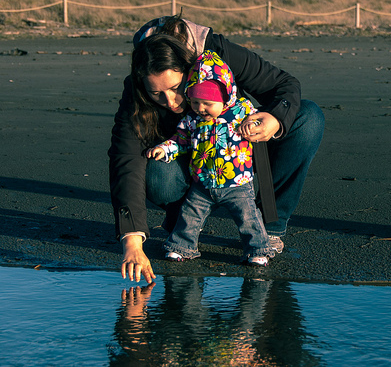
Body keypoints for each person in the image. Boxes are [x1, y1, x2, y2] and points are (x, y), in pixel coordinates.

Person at [109, 15, 325, 283]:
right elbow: (125, 159)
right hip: (187, 159)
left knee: (307, 117)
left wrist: (274, 119)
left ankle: (271, 225)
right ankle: (184, 230)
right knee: (156, 170)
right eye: (157, 94)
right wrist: (132, 243)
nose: (171, 101)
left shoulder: (217, 52)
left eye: (176, 88)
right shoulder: (136, 89)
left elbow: (284, 84)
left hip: (239, 149)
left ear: (191, 68)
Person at [146, 46, 274, 265]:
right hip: (203, 182)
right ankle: (181, 245)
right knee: (190, 215)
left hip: (238, 182)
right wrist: (165, 149)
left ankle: (258, 249)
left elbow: (261, 122)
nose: (201, 108)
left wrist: (259, 125)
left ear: (225, 97)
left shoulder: (241, 112)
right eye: (195, 102)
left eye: (208, 104)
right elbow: (181, 141)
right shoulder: (192, 121)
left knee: (248, 218)